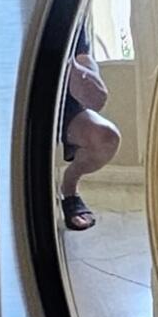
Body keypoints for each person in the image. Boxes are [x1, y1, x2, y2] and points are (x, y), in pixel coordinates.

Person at [59, 25, 122, 232]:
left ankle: (69, 187)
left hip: (63, 108)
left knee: (106, 138)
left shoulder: (63, 5)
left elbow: (96, 98)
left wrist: (80, 72)